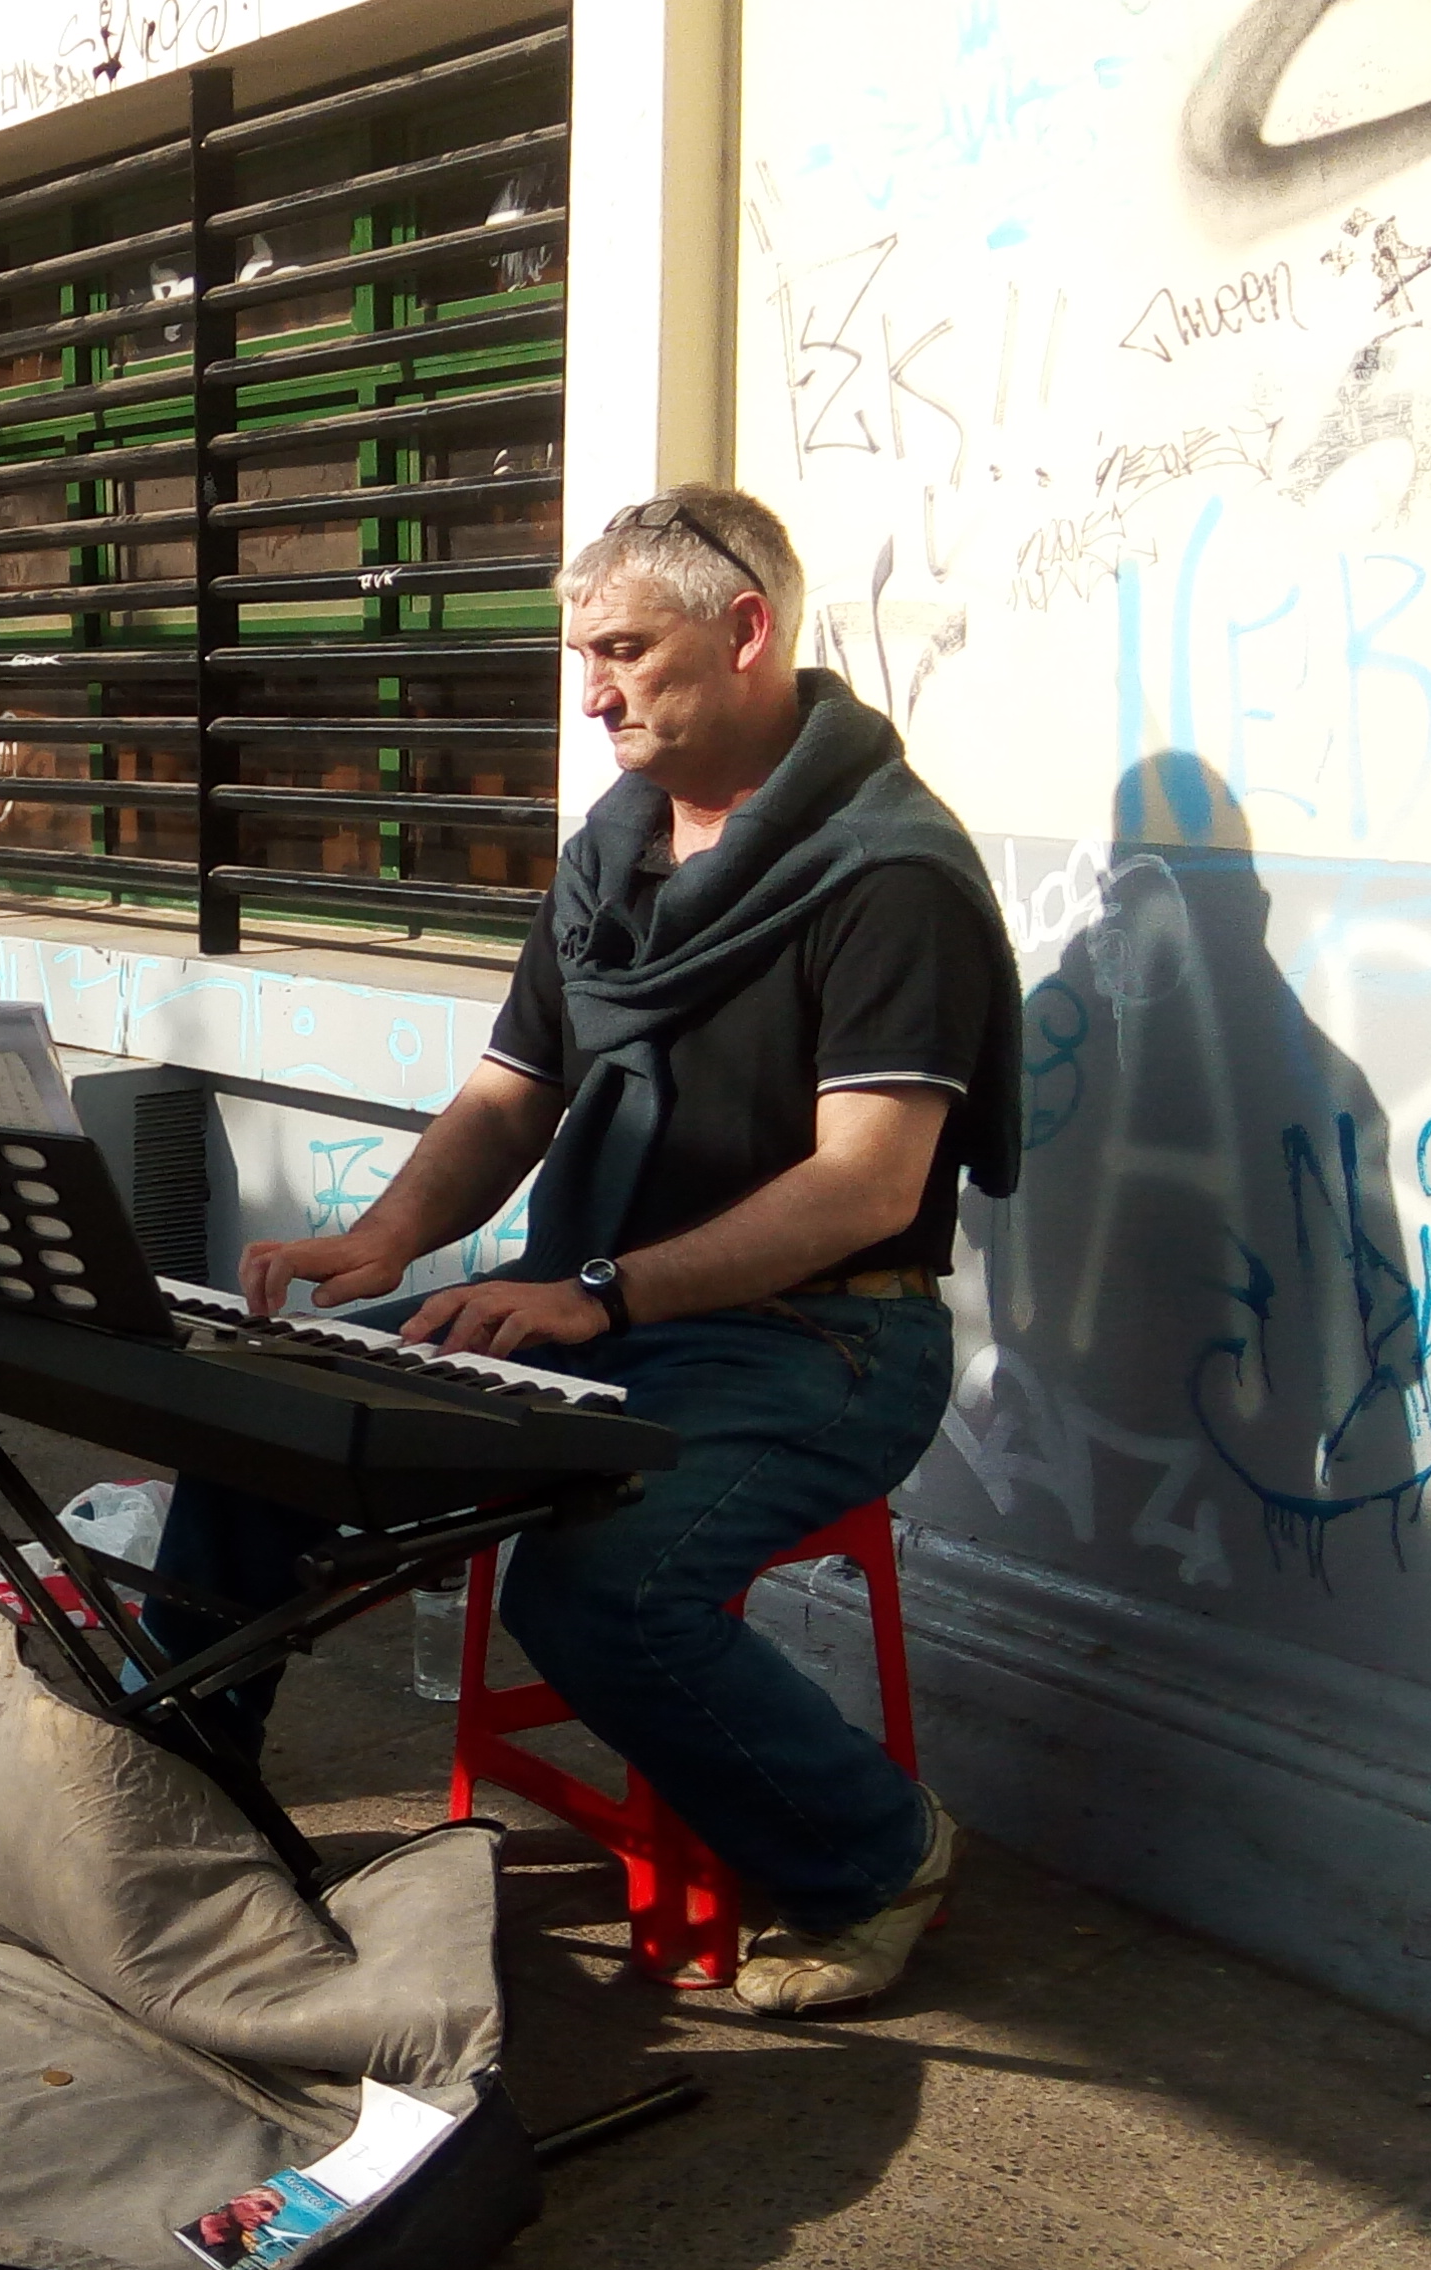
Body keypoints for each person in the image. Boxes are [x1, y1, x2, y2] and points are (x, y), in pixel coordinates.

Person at [186, 485, 1019, 2016]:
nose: (594, 691)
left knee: (601, 1600)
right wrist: (378, 1243)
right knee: (262, 1427)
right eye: (587, 653)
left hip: (825, 1343)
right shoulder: (613, 851)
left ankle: (876, 1854)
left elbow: (862, 1186)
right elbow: (516, 1091)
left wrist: (593, 1293)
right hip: (602, 1320)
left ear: (748, 631)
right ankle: (187, 1820)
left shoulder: (893, 874)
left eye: (627, 650)